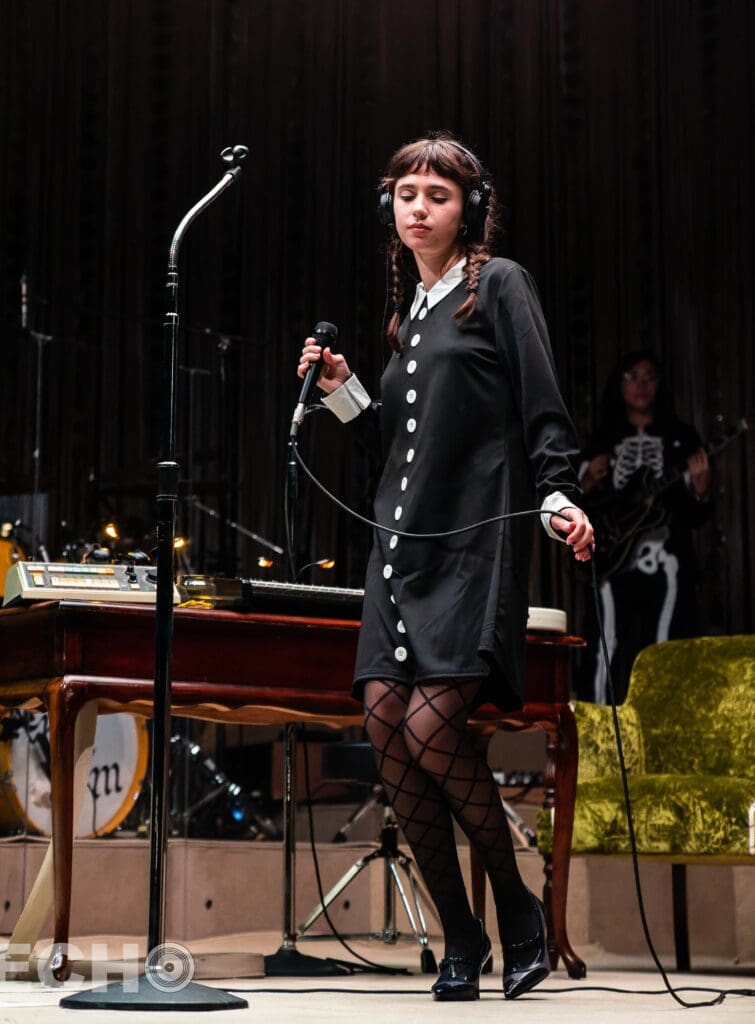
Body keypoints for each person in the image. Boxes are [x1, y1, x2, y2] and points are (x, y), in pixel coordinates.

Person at [297, 134, 593, 1001]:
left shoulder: (497, 285)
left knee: (431, 729)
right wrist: (346, 390)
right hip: (400, 549)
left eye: (437, 194)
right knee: (388, 733)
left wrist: (558, 492)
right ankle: (459, 937)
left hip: (474, 545)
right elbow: (396, 444)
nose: (418, 206)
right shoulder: (410, 315)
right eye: (404, 193)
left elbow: (543, 403)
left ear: (469, 208)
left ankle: (516, 909)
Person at [578, 351, 712, 704]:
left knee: (667, 645)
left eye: (650, 376)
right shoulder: (602, 438)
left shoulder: (681, 437)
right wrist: (588, 479)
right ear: (619, 384)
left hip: (664, 558)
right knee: (604, 645)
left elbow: (697, 518)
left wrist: (700, 490)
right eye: (632, 376)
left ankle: (663, 728)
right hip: (611, 558)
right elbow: (577, 505)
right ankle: (599, 727)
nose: (641, 385)